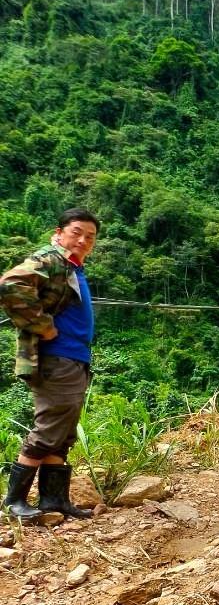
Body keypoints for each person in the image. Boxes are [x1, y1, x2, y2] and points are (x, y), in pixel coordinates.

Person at [1, 208, 99, 520]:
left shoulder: (72, 268)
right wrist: (43, 325)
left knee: (64, 430)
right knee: (50, 428)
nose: (83, 240)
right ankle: (14, 502)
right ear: (58, 233)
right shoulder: (52, 258)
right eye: (76, 232)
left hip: (74, 358)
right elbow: (10, 284)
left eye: (90, 237)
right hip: (56, 357)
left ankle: (54, 500)